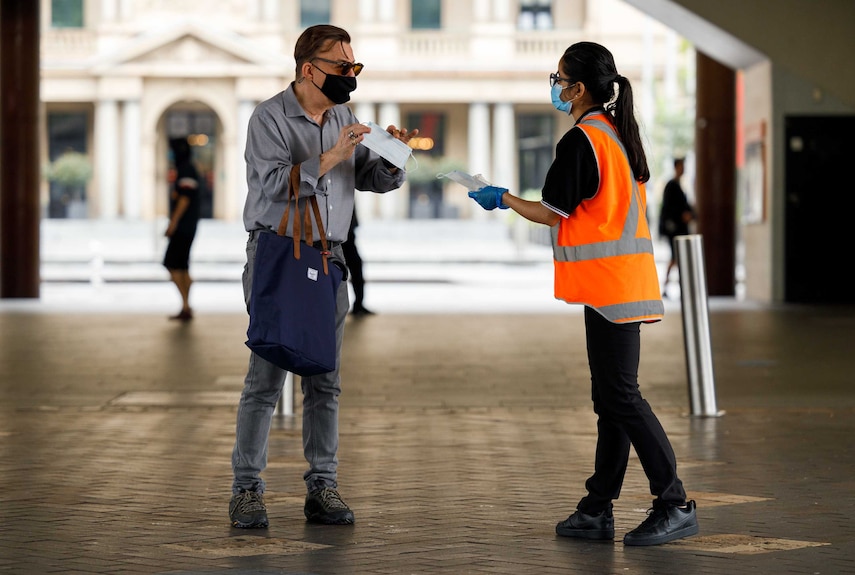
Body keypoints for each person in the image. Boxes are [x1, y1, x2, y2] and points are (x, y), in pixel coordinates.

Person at [468, 41, 698, 546]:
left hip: (611, 286)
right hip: (620, 283)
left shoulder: (582, 141)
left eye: (559, 77)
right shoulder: (616, 135)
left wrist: (501, 198)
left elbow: (552, 212)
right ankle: (597, 507)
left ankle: (674, 501)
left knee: (621, 396)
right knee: (611, 399)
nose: (555, 84)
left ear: (578, 87)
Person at [229, 24, 418, 529]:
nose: (349, 78)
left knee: (325, 379)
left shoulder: (343, 115)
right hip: (278, 254)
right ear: (309, 68)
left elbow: (366, 180)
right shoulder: (268, 118)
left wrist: (393, 158)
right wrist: (333, 152)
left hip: (329, 260)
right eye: (341, 68)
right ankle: (246, 490)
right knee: (265, 379)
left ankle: (323, 486)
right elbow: (272, 186)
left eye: (354, 68)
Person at [163, 137, 201, 321]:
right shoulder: (187, 169)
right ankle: (186, 306)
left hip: (183, 227)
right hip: (188, 226)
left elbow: (184, 199)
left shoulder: (186, 170)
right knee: (182, 265)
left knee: (172, 263)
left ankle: (186, 303)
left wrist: (173, 223)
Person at [658, 157, 695, 297]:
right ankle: (671, 286)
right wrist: (683, 215)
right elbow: (670, 208)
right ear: (676, 167)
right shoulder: (672, 186)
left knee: (677, 258)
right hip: (675, 230)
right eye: (681, 166)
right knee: (676, 257)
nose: (683, 169)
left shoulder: (679, 185)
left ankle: (673, 286)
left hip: (679, 229)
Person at [342, 208, 373, 316]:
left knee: (356, 269)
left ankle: (358, 304)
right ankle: (357, 305)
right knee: (344, 271)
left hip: (349, 235)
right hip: (339, 237)